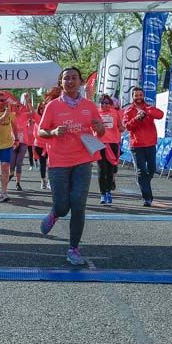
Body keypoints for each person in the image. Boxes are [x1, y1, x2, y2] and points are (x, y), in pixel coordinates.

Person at [37, 68, 106, 265]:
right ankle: (54, 213)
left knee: (78, 205)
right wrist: (53, 132)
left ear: (80, 82)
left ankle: (73, 248)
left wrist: (100, 129)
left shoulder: (89, 106)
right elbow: (41, 132)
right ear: (61, 82)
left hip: (83, 160)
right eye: (66, 78)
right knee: (62, 206)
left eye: (74, 78)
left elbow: (99, 131)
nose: (70, 81)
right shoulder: (52, 106)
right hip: (58, 161)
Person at [122, 87, 164, 206]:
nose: (138, 97)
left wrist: (147, 112)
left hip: (150, 144)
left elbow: (160, 115)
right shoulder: (129, 110)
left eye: (140, 95)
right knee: (141, 171)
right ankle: (147, 198)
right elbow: (128, 127)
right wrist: (137, 118)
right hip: (136, 145)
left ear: (143, 96)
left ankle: (143, 182)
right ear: (133, 97)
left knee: (151, 170)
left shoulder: (149, 107)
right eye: (136, 95)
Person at [96, 94, 122, 205]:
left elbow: (120, 127)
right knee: (102, 170)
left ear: (110, 104)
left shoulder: (115, 113)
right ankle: (102, 193)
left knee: (110, 170)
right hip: (100, 144)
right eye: (102, 102)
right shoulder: (96, 113)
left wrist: (125, 127)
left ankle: (108, 192)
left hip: (113, 144)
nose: (104, 105)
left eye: (107, 103)